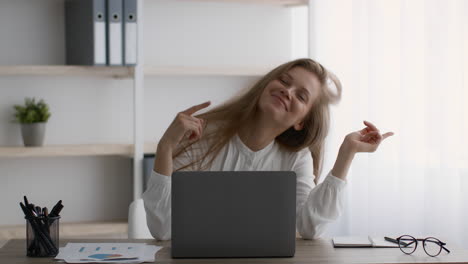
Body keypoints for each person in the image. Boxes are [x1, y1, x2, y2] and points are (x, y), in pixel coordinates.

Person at [142, 58, 394, 240]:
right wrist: (165, 147)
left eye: (301, 95)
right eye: (284, 81)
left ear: (301, 122)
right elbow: (163, 229)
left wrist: (346, 153)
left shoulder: (296, 159)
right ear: (265, 86)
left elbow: (309, 228)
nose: (288, 91)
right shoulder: (205, 134)